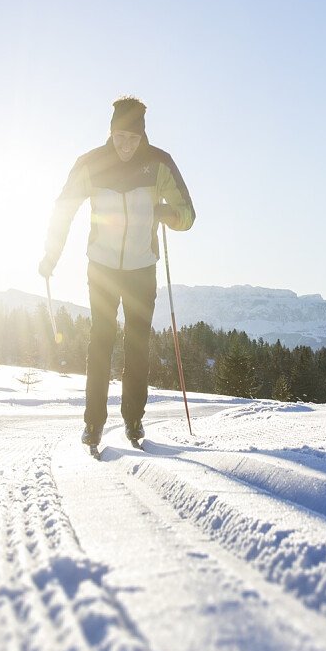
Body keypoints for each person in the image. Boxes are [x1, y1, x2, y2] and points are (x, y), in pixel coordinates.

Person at [40, 97, 196, 449]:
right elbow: (63, 209)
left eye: (133, 138)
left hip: (142, 268)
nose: (126, 146)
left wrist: (167, 213)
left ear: (143, 136)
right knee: (101, 342)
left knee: (137, 346)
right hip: (103, 267)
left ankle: (134, 420)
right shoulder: (91, 164)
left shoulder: (159, 164)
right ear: (110, 132)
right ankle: (93, 424)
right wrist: (51, 255)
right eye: (119, 137)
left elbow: (188, 214)